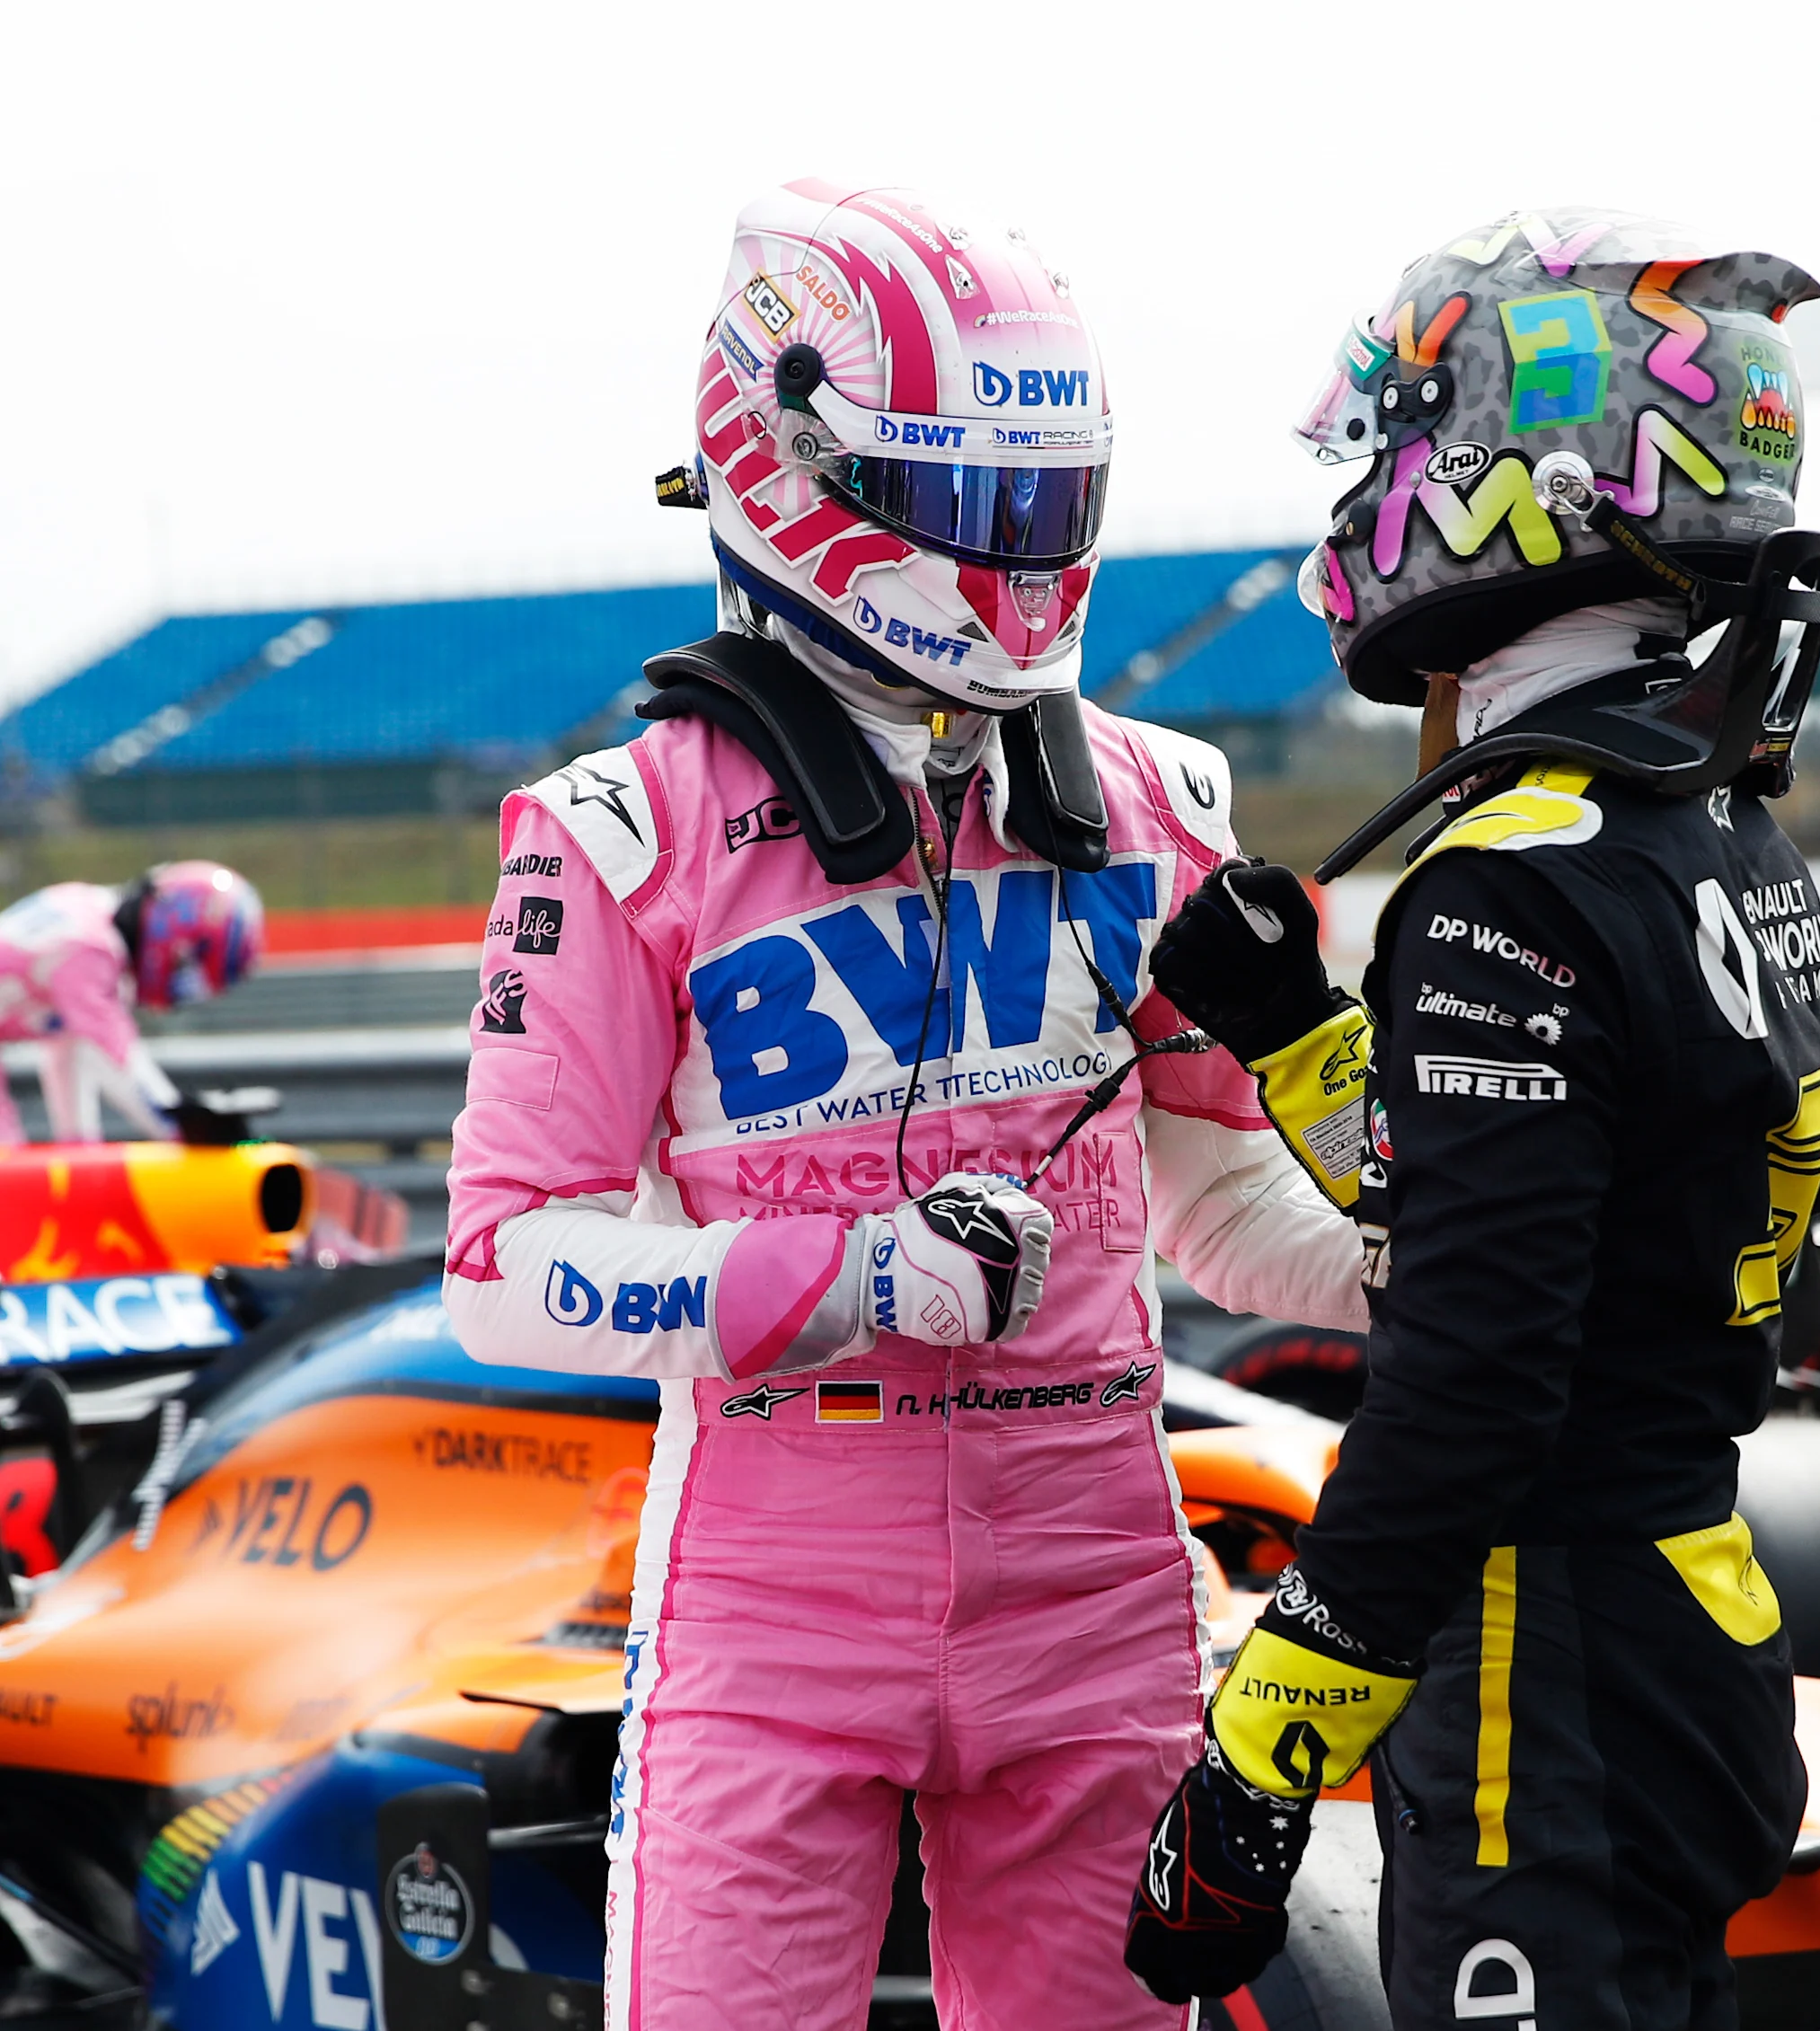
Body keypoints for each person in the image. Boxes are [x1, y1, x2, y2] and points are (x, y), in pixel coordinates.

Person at [441, 181, 1365, 2031]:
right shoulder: (622, 830)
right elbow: (501, 1268)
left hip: (1097, 1557)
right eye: (965, 506)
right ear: (788, 461)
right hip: (775, 1578)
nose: (1009, 552)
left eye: (1040, 505)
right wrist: (851, 1273)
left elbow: (1213, 1198)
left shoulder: (1163, 800)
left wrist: (1431, 1267)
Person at [1122, 208, 1820, 2029]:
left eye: (1399, 428)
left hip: (1553, 1659)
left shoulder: (1505, 879)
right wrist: (1300, 1032)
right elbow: (1536, 1198)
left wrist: (1257, 1757)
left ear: (1518, 475)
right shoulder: (1710, 820)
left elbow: (1471, 1376)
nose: (1372, 476)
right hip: (1694, 1602)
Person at [0, 861, 262, 1143]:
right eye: (183, 964)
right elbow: (116, 1055)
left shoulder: (87, 911)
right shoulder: (92, 949)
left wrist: (78, 1147)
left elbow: (71, 1047)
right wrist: (184, 1131)